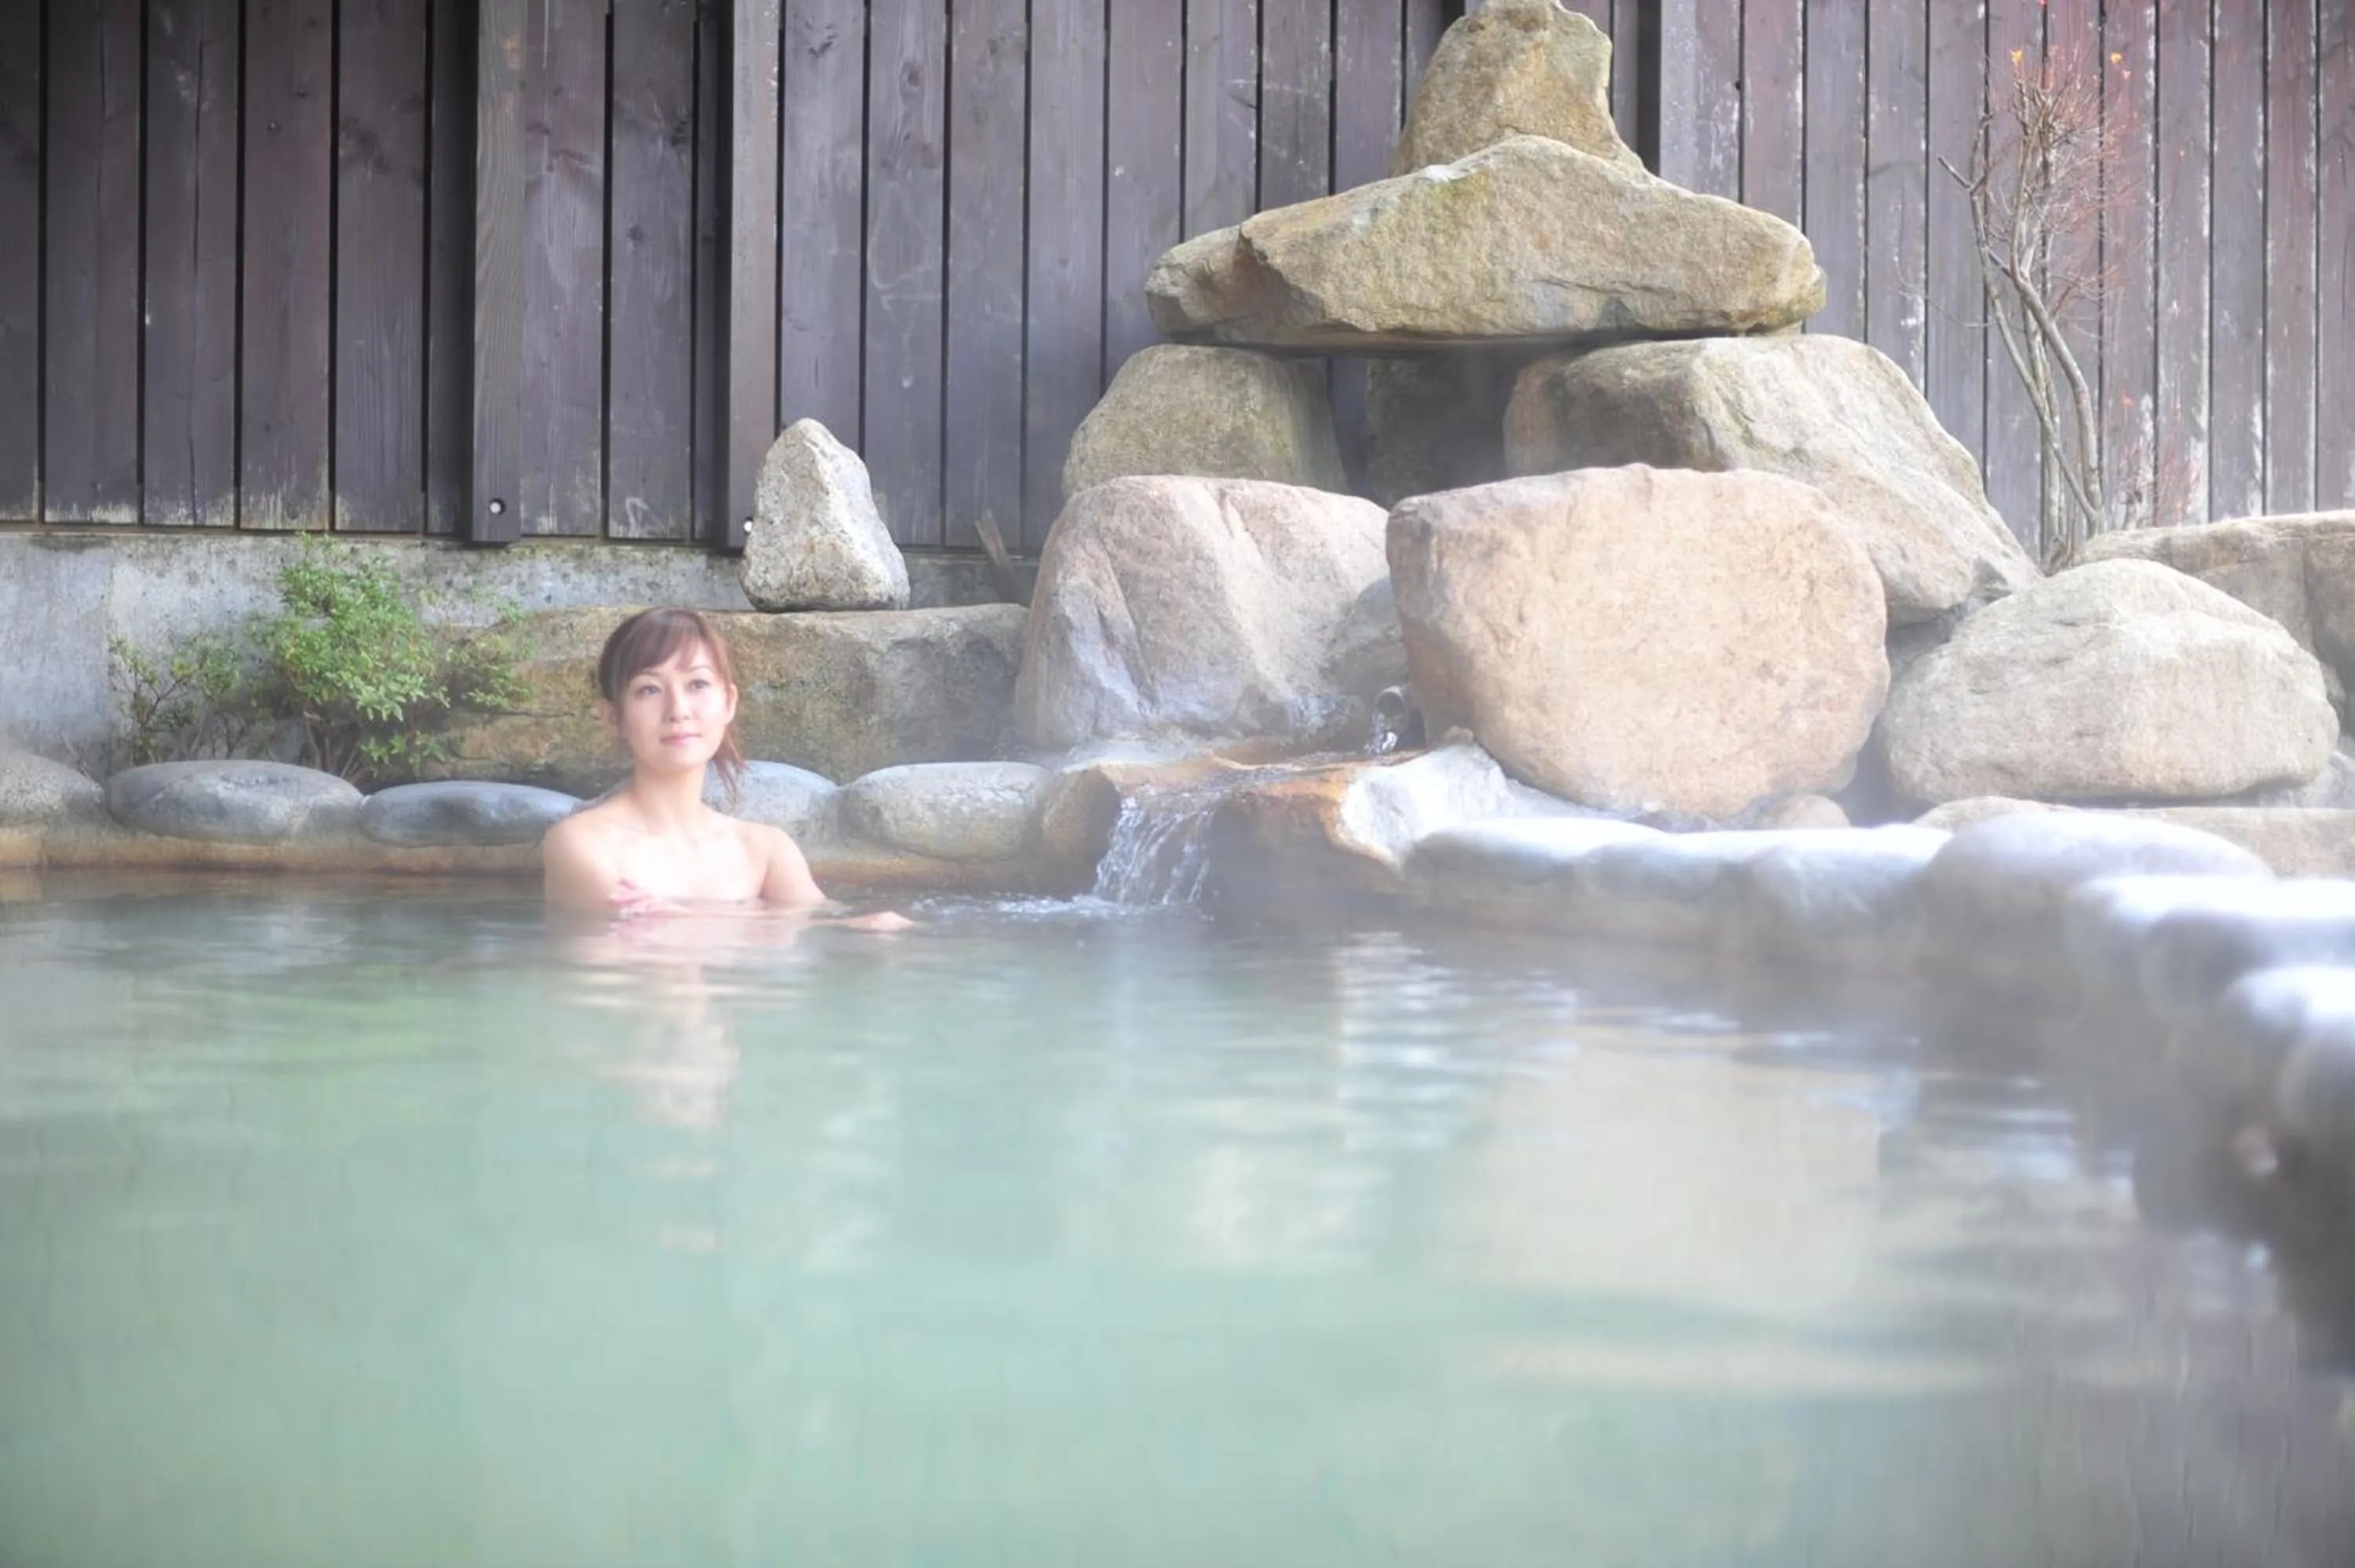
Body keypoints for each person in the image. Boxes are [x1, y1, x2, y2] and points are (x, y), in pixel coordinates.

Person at [542, 607, 908, 930]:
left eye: (698, 684)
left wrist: (877, 926)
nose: (678, 710)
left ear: (729, 702)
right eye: (649, 690)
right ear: (614, 717)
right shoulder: (581, 843)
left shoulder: (764, 850)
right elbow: (633, 935)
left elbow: (829, 926)